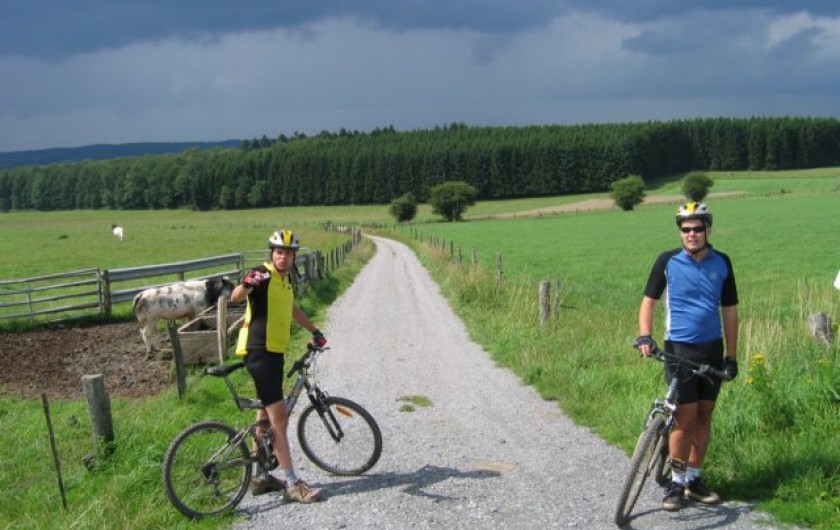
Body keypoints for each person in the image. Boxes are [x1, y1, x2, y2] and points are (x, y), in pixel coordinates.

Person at [635, 201, 739, 512]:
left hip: (712, 348)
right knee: (685, 417)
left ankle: (694, 479)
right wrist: (645, 335)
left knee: (705, 414)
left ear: (708, 229)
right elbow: (649, 301)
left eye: (697, 228)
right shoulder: (666, 261)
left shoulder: (722, 262)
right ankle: (676, 484)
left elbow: (730, 311)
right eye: (686, 229)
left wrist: (731, 356)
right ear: (680, 232)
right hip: (678, 348)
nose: (692, 234)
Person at [231, 229, 327, 503]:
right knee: (280, 420)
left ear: (295, 257)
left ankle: (260, 477)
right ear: (271, 253)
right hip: (258, 351)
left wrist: (315, 330)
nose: (283, 257)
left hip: (275, 352)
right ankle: (293, 484)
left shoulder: (286, 281)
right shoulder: (261, 274)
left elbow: (292, 310)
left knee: (263, 413)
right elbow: (237, 296)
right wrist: (246, 283)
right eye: (279, 252)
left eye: (288, 253)